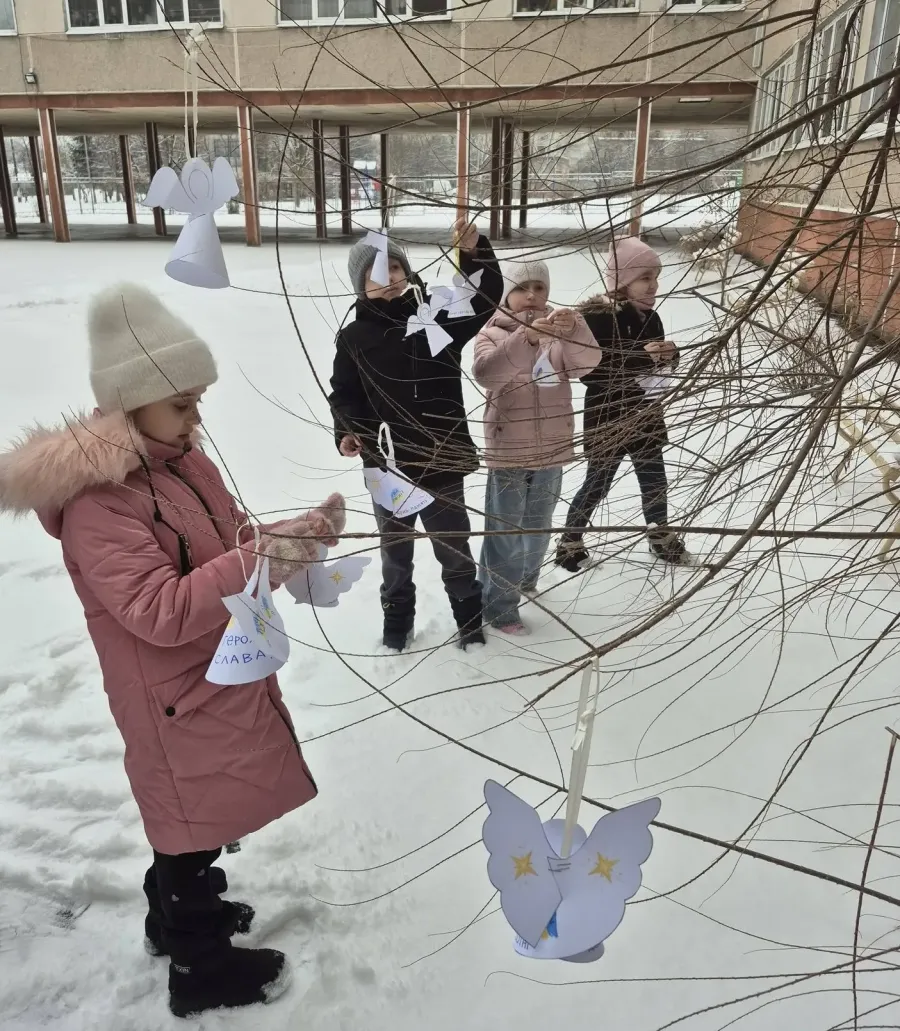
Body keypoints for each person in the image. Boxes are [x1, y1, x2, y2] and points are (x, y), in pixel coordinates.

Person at [0, 284, 346, 1019]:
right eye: (182, 404)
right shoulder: (99, 503)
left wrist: (293, 537)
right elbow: (158, 611)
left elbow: (232, 542)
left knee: (194, 819)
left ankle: (175, 918)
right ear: (132, 404)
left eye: (198, 402)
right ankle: (200, 965)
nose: (197, 419)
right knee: (188, 825)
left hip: (211, 675)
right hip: (170, 698)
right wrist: (264, 556)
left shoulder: (185, 463)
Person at [328, 218, 502, 652]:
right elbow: (345, 393)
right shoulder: (353, 338)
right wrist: (347, 431)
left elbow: (484, 298)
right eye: (376, 273)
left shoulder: (437, 318)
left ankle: (469, 620)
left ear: (407, 273)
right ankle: (397, 622)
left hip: (442, 460)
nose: (389, 279)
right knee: (396, 553)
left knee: (454, 548)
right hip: (388, 467)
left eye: (395, 268)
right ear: (360, 286)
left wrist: (474, 252)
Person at [472, 259, 601, 634]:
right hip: (509, 452)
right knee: (504, 531)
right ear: (506, 295)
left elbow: (588, 365)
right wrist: (525, 338)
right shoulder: (491, 333)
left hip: (551, 450)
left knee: (539, 525)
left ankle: (525, 579)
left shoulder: (559, 333)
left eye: (539, 288)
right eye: (521, 288)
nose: (531, 295)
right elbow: (487, 373)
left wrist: (576, 329)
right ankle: (499, 606)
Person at [555, 237, 686, 571]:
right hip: (607, 416)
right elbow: (592, 373)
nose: (653, 285)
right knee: (597, 483)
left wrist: (669, 356)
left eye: (656, 277)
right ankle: (569, 540)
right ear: (622, 279)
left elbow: (654, 365)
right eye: (645, 278)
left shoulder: (650, 318)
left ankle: (659, 535)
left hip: (646, 415)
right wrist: (644, 358)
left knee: (655, 481)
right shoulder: (595, 319)